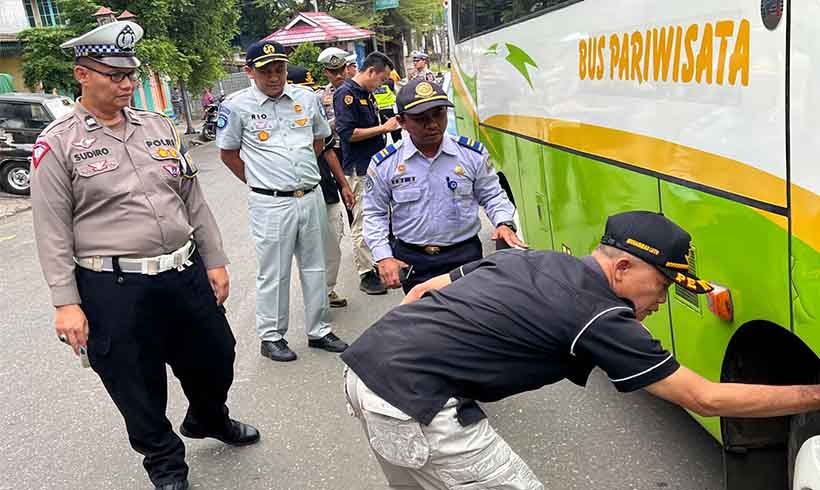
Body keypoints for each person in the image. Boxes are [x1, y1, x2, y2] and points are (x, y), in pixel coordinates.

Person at [342, 210, 820, 489]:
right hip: (414, 404)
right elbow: (705, 398)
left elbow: (420, 293)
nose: (661, 300)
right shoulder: (601, 316)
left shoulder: (537, 259)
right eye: (663, 284)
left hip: (365, 373)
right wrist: (814, 396)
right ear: (624, 268)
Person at [30, 21, 259, 490]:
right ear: (81, 75)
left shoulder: (160, 127)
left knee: (218, 355)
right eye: (113, 74)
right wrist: (65, 303)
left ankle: (209, 417)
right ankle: (165, 462)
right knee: (136, 382)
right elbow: (51, 230)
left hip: (183, 271)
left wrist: (214, 258)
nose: (127, 83)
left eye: (130, 73)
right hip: (112, 287)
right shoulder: (58, 143)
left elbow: (192, 197)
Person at [217, 40, 351, 362]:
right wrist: (262, 181)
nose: (275, 77)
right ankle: (272, 336)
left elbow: (318, 140)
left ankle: (319, 330)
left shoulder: (306, 99)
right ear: (249, 72)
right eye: (266, 71)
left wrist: (299, 177)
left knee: (316, 266)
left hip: (310, 195)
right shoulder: (237, 106)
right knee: (274, 272)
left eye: (279, 69)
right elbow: (228, 153)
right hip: (271, 203)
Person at [364, 79, 524, 293]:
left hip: (464, 257)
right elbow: (374, 213)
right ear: (401, 122)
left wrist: (504, 223)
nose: (432, 124)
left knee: (471, 321)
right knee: (423, 323)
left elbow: (492, 195)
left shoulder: (471, 155)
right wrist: (383, 256)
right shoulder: (385, 164)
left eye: (438, 114)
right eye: (421, 118)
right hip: (414, 262)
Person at [334, 51, 400, 295]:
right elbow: (347, 133)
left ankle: (380, 260)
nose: (381, 85)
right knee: (363, 220)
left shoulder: (365, 94)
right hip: (359, 168)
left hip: (374, 164)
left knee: (382, 216)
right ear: (371, 71)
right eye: (381, 79)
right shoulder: (346, 94)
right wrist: (383, 128)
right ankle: (366, 273)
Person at [317, 47, 355, 307]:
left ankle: (326, 289)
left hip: (343, 163)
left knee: (336, 233)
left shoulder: (355, 91)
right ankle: (319, 293)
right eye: (333, 71)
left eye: (341, 69)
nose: (339, 75)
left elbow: (327, 144)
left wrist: (342, 183)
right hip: (314, 175)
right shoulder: (317, 99)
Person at [373, 78, 402, 144]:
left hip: (378, 112)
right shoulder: (390, 82)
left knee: (381, 136)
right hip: (390, 110)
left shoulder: (373, 82)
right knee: (396, 136)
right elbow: (398, 93)